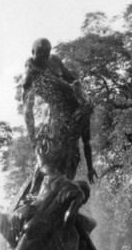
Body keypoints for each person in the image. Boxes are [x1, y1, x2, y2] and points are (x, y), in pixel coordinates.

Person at [22, 38, 97, 187]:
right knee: (48, 150)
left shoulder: (55, 61)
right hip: (57, 112)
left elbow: (86, 141)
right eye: (40, 54)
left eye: (46, 53)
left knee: (73, 156)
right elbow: (27, 110)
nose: (43, 57)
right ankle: (34, 188)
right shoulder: (30, 72)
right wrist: (33, 139)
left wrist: (90, 167)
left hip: (72, 109)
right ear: (33, 52)